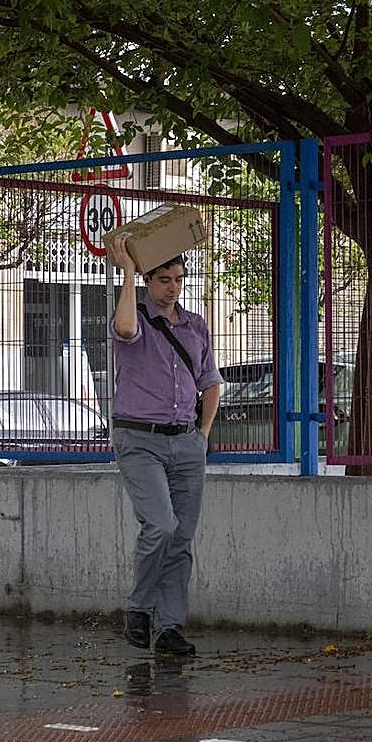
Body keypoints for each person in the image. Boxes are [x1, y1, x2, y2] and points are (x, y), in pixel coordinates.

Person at [108, 236, 221, 656]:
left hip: (187, 443)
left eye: (178, 279)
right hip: (140, 440)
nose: (172, 287)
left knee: (181, 539)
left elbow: (210, 381)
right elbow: (124, 330)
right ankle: (139, 609)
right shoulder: (134, 316)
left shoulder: (195, 325)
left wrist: (202, 434)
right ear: (148, 281)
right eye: (163, 280)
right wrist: (128, 271)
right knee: (160, 526)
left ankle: (169, 627)